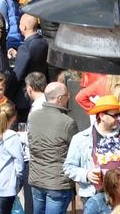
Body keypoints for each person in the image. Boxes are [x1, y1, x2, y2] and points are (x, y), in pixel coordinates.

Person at [64, 95, 120, 203]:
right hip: (94, 197)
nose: (119, 118)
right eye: (115, 115)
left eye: (119, 114)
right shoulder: (81, 139)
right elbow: (69, 167)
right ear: (101, 116)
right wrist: (87, 174)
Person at [28, 82, 79, 214]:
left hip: (37, 178)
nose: (69, 97)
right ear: (60, 98)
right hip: (57, 182)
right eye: (67, 95)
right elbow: (75, 151)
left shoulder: (33, 116)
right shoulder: (67, 122)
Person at [0, 102, 26, 214]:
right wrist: (18, 182)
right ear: (14, 118)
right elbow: (20, 164)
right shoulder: (13, 138)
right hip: (7, 185)